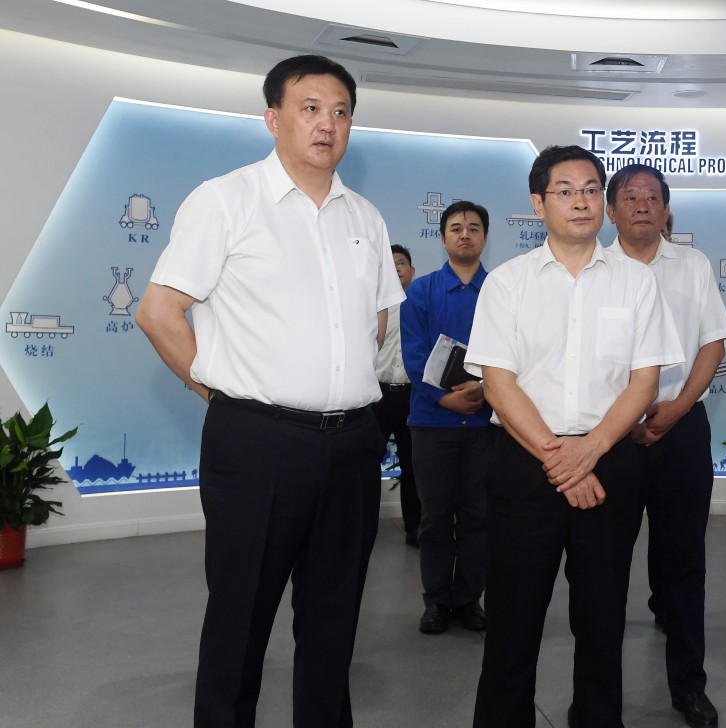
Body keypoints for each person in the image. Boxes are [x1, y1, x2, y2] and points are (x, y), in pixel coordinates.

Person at [136, 55, 401, 727]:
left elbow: (374, 323)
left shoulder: (365, 217)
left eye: (341, 112)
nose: (327, 124)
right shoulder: (226, 200)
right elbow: (159, 313)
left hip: (353, 444)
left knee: (334, 624)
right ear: (273, 118)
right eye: (310, 108)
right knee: (239, 621)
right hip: (257, 444)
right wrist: (223, 395)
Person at [466, 145, 682, 728]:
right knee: (512, 622)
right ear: (539, 204)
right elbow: (498, 384)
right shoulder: (508, 283)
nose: (580, 201)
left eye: (590, 190)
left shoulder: (636, 282)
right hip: (525, 466)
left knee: (602, 620)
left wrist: (589, 451)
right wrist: (562, 459)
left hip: (608, 463)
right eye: (564, 191)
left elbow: (644, 381)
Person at [604, 163, 726, 727]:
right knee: (603, 567)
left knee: (683, 564)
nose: (642, 205)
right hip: (610, 436)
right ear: (610, 210)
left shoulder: (693, 265)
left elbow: (714, 344)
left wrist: (678, 407)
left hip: (679, 428)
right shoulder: (593, 269)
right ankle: (599, 693)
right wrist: (620, 420)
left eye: (652, 197)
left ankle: (688, 686)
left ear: (665, 210)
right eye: (630, 197)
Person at [400, 201, 496, 635]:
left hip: (484, 424)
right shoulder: (420, 292)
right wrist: (444, 399)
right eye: (456, 228)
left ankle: (470, 599)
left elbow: (513, 353)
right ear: (442, 238)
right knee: (436, 517)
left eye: (473, 228)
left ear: (485, 238)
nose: (465, 234)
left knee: (478, 516)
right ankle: (437, 600)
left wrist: (485, 391)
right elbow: (414, 354)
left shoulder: (501, 291)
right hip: (432, 423)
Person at [374, 244, 422, 547]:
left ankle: (415, 528)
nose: (397, 268)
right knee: (367, 463)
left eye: (402, 262)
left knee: (413, 465)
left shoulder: (421, 306)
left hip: (412, 396)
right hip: (377, 396)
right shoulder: (372, 308)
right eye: (390, 264)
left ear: (412, 271)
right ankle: (363, 525)